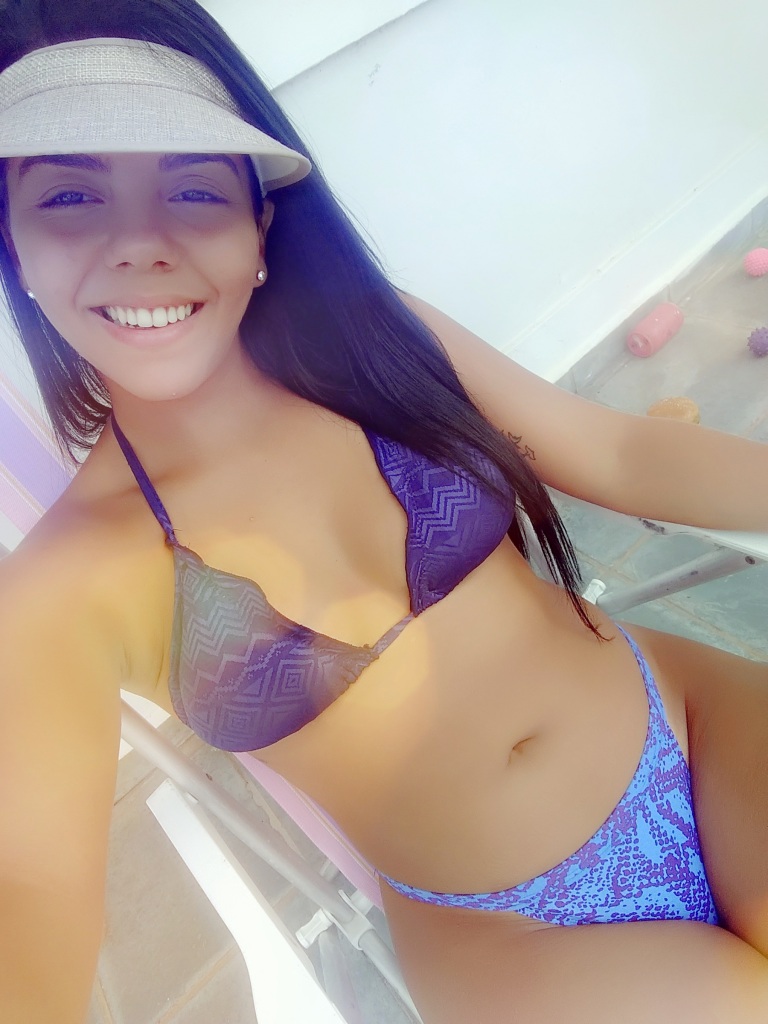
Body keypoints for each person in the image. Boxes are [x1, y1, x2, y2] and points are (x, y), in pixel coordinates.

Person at [0, 2, 767, 1022]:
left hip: (691, 723)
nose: (141, 245)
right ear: (14, 245)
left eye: (192, 186)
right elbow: (29, 891)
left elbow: (618, 449)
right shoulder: (64, 587)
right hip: (510, 935)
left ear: (260, 222)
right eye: (68, 196)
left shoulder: (376, 341)